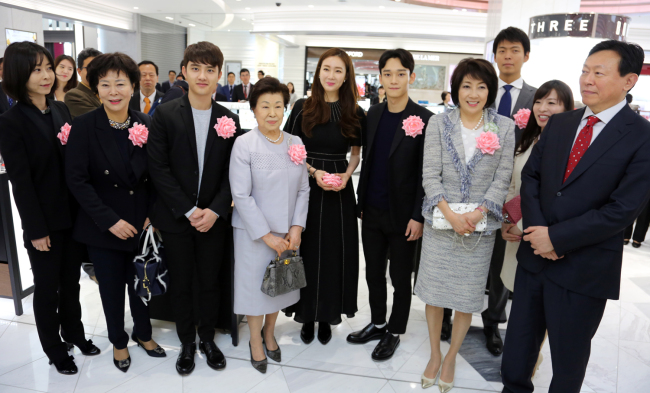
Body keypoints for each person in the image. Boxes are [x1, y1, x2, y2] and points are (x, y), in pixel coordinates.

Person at [501, 40, 650, 393]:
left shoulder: (642, 136)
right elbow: (532, 178)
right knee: (517, 352)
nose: (587, 79)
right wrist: (539, 233)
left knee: (568, 363)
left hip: (585, 269)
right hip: (534, 260)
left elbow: (622, 209)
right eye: (585, 70)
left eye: (599, 72)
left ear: (629, 81)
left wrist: (557, 238)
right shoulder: (560, 123)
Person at [0, 41, 100, 376]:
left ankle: (75, 333)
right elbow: (21, 182)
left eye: (47, 68)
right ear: (19, 74)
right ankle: (55, 350)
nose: (46, 76)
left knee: (71, 282)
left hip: (71, 215)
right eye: (36, 69)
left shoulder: (59, 109)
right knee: (47, 289)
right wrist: (36, 229)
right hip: (44, 221)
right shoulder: (11, 121)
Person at [417, 58, 515, 391]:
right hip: (441, 225)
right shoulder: (438, 124)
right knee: (434, 295)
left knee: (465, 298)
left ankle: (452, 355)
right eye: (466, 86)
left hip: (479, 230)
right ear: (456, 89)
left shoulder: (504, 127)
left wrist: (474, 216)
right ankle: (434, 354)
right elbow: (430, 174)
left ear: (491, 90)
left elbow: (501, 180)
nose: (473, 94)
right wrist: (450, 214)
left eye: (481, 86)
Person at [66, 52, 166, 373]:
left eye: (120, 83)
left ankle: (145, 334)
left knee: (141, 283)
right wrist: (110, 220)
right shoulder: (83, 126)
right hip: (102, 225)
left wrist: (151, 214)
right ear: (96, 89)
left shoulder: (145, 122)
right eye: (105, 84)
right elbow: (77, 181)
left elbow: (156, 175)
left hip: (140, 221)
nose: (113, 91)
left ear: (133, 86)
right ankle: (119, 342)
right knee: (110, 289)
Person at [148, 41, 242, 376]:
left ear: (219, 75)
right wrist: (189, 210)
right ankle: (187, 342)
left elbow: (236, 173)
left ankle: (207, 339)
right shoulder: (166, 114)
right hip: (176, 218)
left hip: (213, 220)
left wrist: (215, 210)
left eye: (210, 69)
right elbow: (157, 168)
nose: (203, 75)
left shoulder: (229, 120)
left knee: (210, 281)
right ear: (185, 71)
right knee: (183, 281)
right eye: (196, 68)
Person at [349, 49, 433, 361]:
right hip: (371, 208)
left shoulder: (425, 119)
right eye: (388, 73)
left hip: (404, 216)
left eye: (401, 73)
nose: (394, 79)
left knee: (400, 278)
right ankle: (378, 321)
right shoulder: (373, 114)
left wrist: (418, 216)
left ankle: (394, 331)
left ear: (411, 77)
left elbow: (427, 173)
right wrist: (360, 200)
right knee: (372, 273)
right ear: (380, 77)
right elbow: (368, 161)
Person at [283, 48, 365, 345]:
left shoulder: (354, 112)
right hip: (306, 184)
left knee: (334, 252)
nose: (331, 75)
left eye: (338, 70)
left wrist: (346, 175)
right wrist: (314, 172)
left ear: (346, 77)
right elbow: (289, 149)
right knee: (305, 250)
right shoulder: (303, 106)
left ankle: (327, 315)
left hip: (339, 188)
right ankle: (305, 313)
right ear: (318, 73)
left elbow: (355, 154)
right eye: (326, 69)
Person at [230, 77, 309, 373]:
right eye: (265, 106)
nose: (272, 112)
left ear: (286, 109)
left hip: (288, 233)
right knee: (254, 290)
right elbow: (241, 194)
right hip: (253, 234)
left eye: (278, 105)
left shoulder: (295, 143)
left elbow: (304, 189)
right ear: (253, 110)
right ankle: (254, 339)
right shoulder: (244, 144)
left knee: (280, 287)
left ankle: (269, 333)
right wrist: (266, 235)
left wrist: (296, 228)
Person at [499, 80, 574, 378]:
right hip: (516, 236)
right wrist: (508, 219)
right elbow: (512, 184)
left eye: (553, 103)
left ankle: (533, 356)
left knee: (541, 305)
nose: (543, 108)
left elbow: (557, 200)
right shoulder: (525, 141)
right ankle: (521, 355)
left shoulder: (569, 147)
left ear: (568, 109)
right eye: (540, 101)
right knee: (521, 300)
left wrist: (520, 226)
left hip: (542, 239)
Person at [481, 26, 538, 357]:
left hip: (513, 191)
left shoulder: (536, 97)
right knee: (470, 253)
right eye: (501, 50)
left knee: (503, 261)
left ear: (526, 55)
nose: (507, 56)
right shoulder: (482, 91)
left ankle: (492, 322)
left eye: (514, 50)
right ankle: (451, 314)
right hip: (477, 187)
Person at [64, 48, 102, 119]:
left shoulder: (106, 91)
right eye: (90, 68)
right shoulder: (73, 96)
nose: (94, 71)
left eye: (99, 68)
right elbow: (100, 119)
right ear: (79, 71)